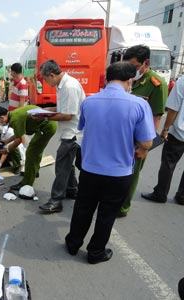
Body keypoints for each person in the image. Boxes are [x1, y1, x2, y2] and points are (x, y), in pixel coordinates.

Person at [65, 62, 155, 264]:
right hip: (119, 173)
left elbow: (83, 127)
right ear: (130, 80)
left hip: (90, 169)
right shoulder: (139, 104)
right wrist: (140, 148)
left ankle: (72, 243)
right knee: (107, 215)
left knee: (83, 209)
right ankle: (96, 253)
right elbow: (147, 142)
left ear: (107, 78)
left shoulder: (89, 102)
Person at [118, 45, 168, 217]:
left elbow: (155, 118)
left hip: (138, 139)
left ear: (145, 63)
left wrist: (145, 147)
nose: (131, 69)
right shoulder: (129, 79)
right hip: (122, 134)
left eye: (133, 65)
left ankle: (122, 207)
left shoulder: (156, 84)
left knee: (131, 173)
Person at [33, 60, 86, 213]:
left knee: (61, 166)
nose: (46, 83)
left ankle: (56, 200)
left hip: (73, 133)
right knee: (69, 164)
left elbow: (68, 115)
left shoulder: (69, 86)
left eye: (46, 79)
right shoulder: (62, 85)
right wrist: (45, 109)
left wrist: (45, 117)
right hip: (71, 132)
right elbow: (63, 107)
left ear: (51, 75)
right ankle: (72, 189)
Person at [0, 105, 57, 190]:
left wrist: (7, 149)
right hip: (46, 125)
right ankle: (34, 171)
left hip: (47, 127)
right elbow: (18, 133)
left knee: (31, 152)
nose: (0, 124)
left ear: (2, 117)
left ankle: (26, 183)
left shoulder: (15, 120)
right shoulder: (14, 115)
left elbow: (19, 140)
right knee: (36, 150)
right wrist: (6, 141)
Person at [142, 76, 184, 204]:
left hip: (179, 132)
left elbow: (173, 108)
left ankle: (160, 193)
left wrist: (165, 128)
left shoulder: (182, 81)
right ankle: (182, 196)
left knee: (168, 163)